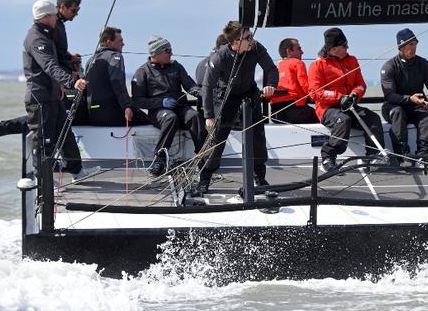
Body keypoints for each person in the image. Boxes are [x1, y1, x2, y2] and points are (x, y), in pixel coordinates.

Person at [0, 0, 86, 151]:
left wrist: (69, 58)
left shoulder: (56, 25)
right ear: (62, 8)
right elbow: (49, 61)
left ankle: (74, 168)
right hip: (55, 83)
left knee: (58, 122)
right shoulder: (53, 27)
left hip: (56, 83)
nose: (76, 14)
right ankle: (2, 128)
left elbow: (57, 53)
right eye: (74, 10)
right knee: (48, 120)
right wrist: (67, 80)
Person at [198, 21, 279, 195]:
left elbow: (271, 69)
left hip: (249, 94)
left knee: (257, 137)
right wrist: (209, 115)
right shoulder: (219, 57)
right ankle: (204, 179)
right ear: (236, 42)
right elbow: (207, 86)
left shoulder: (256, 48)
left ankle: (259, 177)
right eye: (248, 37)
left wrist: (270, 84)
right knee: (217, 140)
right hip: (225, 97)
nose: (252, 40)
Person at [23, 0, 97, 181]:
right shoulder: (36, 38)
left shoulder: (47, 34)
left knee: (66, 135)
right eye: (54, 15)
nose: (57, 17)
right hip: (40, 99)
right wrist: (72, 82)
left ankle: (77, 171)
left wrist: (61, 85)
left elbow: (55, 61)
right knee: (44, 143)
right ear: (46, 17)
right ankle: (44, 182)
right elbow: (49, 65)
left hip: (53, 95)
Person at [308, 27, 385, 172]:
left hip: (349, 105)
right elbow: (314, 92)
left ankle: (372, 156)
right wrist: (339, 97)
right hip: (327, 109)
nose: (347, 47)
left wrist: (355, 94)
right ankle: (328, 156)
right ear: (334, 48)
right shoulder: (317, 65)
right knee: (343, 120)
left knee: (373, 118)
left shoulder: (352, 60)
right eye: (344, 45)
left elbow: (360, 84)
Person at [131, 35, 205, 176]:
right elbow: (137, 101)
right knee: (171, 118)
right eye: (167, 50)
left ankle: (203, 156)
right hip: (158, 111)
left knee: (194, 116)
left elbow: (190, 86)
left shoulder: (176, 66)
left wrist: (204, 94)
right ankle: (160, 159)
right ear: (156, 54)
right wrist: (160, 102)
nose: (171, 53)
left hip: (180, 107)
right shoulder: (142, 72)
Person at [380, 28, 428, 159]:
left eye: (415, 44)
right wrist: (409, 99)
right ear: (400, 47)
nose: (413, 48)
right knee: (398, 113)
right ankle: (401, 153)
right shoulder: (389, 66)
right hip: (393, 106)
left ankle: (423, 155)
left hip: (416, 106)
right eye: (409, 45)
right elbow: (389, 95)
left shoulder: (424, 64)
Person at [85, 26, 148, 126]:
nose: (123, 44)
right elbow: (117, 83)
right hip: (110, 115)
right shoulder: (115, 56)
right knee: (148, 119)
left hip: (93, 115)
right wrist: (127, 106)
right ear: (109, 42)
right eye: (120, 41)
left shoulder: (90, 60)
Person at [270, 38, 319, 124]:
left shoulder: (275, 67)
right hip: (297, 112)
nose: (302, 52)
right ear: (289, 51)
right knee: (324, 116)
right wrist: (320, 97)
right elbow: (306, 88)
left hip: (276, 114)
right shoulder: (297, 63)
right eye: (299, 49)